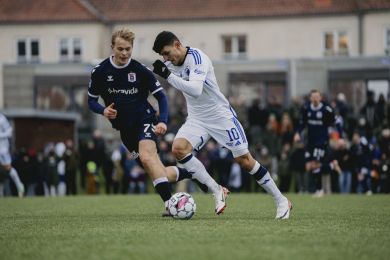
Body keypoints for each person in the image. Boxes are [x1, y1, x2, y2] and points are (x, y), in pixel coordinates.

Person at [152, 31, 292, 219]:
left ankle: (281, 200)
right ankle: (216, 190)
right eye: (162, 55)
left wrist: (168, 76)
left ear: (177, 45)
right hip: (197, 118)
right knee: (178, 149)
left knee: (245, 161)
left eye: (167, 53)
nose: (165, 58)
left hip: (220, 116)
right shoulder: (170, 64)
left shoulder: (198, 58)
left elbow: (195, 89)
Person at [87, 28, 204, 214]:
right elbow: (91, 101)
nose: (124, 53)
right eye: (120, 49)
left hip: (145, 120)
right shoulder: (100, 72)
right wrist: (103, 110)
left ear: (132, 48)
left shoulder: (140, 70)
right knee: (157, 170)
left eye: (128, 49)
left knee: (148, 157)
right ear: (112, 48)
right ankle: (193, 174)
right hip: (125, 131)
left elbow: (162, 97)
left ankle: (169, 204)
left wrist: (163, 121)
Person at [293, 89, 341, 197]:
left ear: (320, 98)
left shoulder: (326, 109)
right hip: (310, 141)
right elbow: (302, 123)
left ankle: (319, 190)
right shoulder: (306, 108)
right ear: (310, 98)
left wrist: (340, 137)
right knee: (309, 166)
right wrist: (297, 133)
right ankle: (331, 165)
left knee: (316, 164)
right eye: (313, 97)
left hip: (321, 141)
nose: (315, 99)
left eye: (317, 97)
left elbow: (336, 121)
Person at [0, 113, 24, 197]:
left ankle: (19, 185)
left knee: (8, 168)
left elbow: (9, 132)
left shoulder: (1, 118)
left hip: (2, 149)